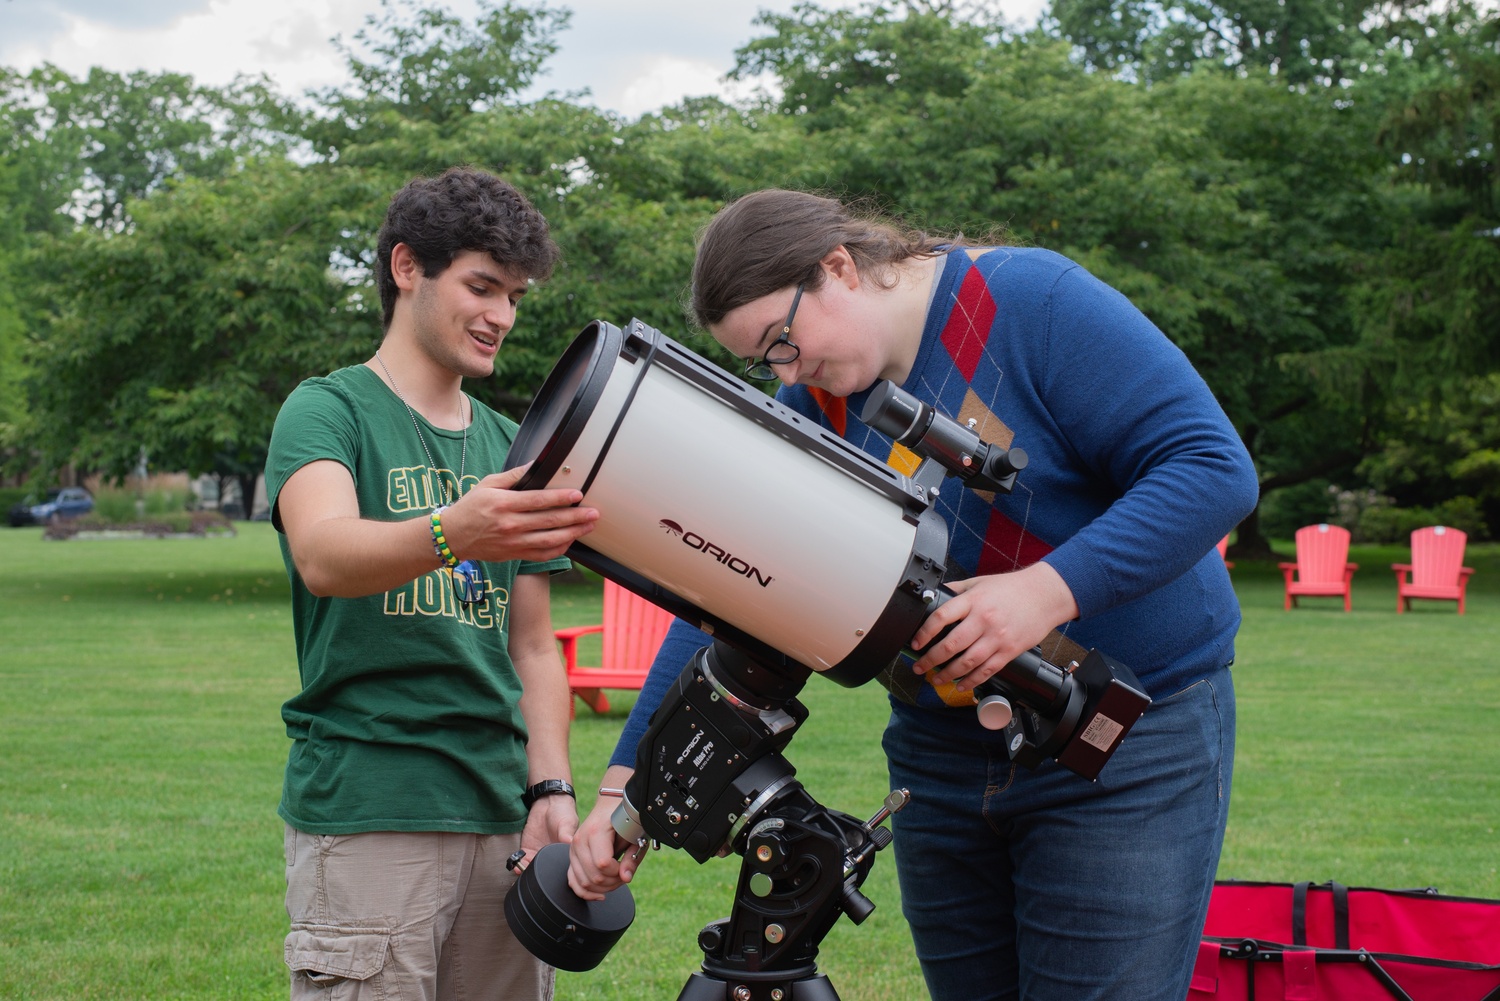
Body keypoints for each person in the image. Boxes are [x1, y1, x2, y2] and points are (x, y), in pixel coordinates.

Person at [568, 189, 1259, 1001]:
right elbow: (733, 602)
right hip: (941, 757)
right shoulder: (817, 405)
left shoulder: (1033, 303)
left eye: (784, 341)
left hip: (1123, 742)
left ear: (838, 268)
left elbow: (1213, 469)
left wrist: (1043, 593)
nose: (787, 373)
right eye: (766, 362)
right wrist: (626, 786)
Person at [264, 166, 599, 1001]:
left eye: (515, 295)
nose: (502, 317)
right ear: (407, 267)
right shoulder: (327, 410)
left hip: (502, 819)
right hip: (372, 808)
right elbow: (324, 553)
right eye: (482, 286)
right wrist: (457, 530)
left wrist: (551, 786)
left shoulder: (512, 447)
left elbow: (532, 645)